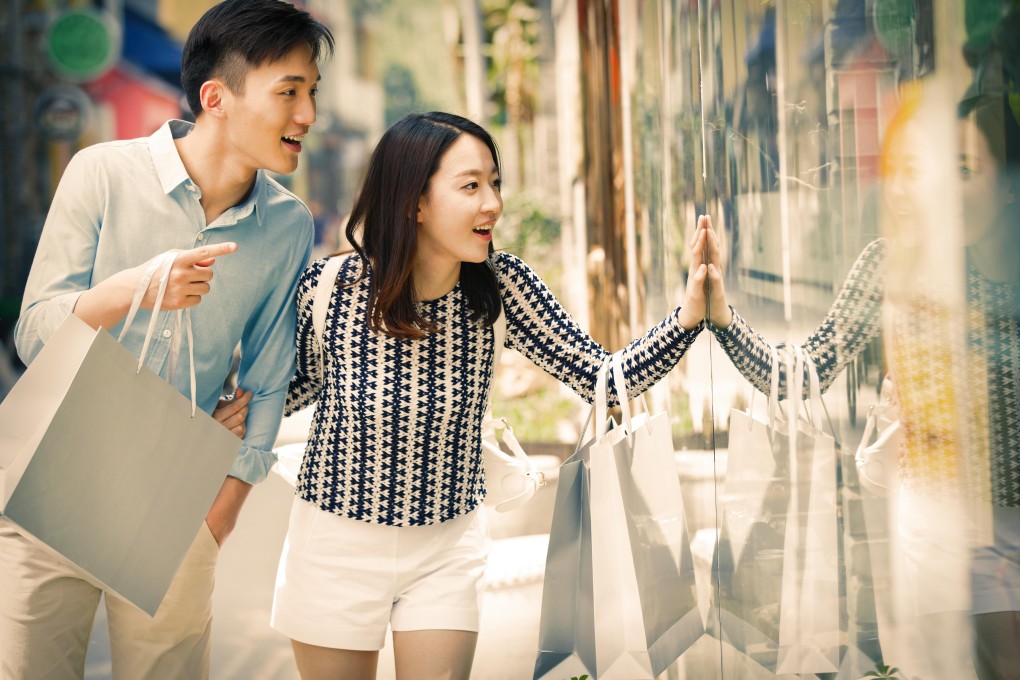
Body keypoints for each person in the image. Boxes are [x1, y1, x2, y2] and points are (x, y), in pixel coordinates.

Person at [270, 110, 713, 680]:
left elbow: (603, 378)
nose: (493, 204)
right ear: (415, 201)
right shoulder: (330, 287)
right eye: (471, 185)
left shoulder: (501, 285)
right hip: (335, 544)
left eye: (495, 183)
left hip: (447, 549)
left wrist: (688, 318)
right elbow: (282, 392)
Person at [0, 2, 334, 678]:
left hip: (174, 499)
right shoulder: (101, 174)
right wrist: (137, 287)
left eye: (312, 93)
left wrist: (223, 508)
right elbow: (34, 334)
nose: (307, 115)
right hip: (52, 475)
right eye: (289, 93)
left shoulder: (287, 225)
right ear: (217, 98)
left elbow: (268, 375)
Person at [693, 73, 1020, 679]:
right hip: (943, 518)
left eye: (966, 169)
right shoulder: (896, 261)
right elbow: (802, 371)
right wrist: (722, 319)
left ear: (1010, 185)